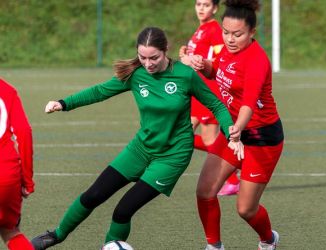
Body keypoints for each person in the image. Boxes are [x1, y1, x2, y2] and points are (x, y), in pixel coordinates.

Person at [31, 26, 243, 250]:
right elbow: (100, 91)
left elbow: (216, 104)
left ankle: (110, 246)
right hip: (140, 149)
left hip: (172, 157)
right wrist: (63, 104)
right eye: (143, 57)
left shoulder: (185, 75)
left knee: (123, 210)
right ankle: (56, 235)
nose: (148, 63)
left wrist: (231, 131)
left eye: (154, 57)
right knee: (93, 195)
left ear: (165, 51)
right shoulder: (136, 74)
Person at [189, 0, 284, 249]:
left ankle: (269, 239)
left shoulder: (257, 60)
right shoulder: (227, 50)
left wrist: (236, 129)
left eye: (238, 34)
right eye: (226, 32)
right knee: (205, 191)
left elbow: (248, 104)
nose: (230, 39)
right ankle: (214, 246)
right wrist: (204, 65)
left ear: (252, 32)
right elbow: (217, 71)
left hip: (261, 138)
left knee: (246, 209)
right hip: (235, 134)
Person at [180, 0, 240, 196]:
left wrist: (192, 61)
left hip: (208, 91)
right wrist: (185, 55)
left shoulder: (214, 29)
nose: (201, 8)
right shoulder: (201, 30)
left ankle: (232, 176)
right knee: (182, 133)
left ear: (214, 8)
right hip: (196, 92)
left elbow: (220, 58)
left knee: (205, 138)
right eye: (198, 4)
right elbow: (196, 56)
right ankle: (233, 166)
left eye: (206, 5)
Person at [0, 79, 35, 250]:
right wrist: (27, 180)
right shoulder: (6, 90)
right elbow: (24, 131)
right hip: (6, 174)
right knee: (10, 232)